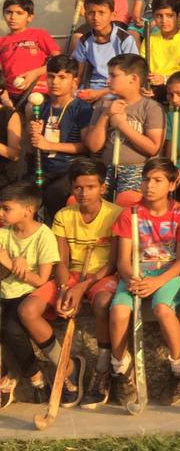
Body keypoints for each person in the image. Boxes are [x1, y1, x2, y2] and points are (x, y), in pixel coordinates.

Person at [109, 158, 180, 405]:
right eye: (146, 180)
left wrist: (157, 283)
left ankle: (179, 368)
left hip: (168, 272)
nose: (150, 186)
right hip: (136, 272)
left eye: (158, 180)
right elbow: (122, 261)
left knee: (162, 309)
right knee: (119, 311)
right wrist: (132, 279)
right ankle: (121, 369)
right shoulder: (130, 214)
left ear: (171, 185)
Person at [42, 158, 120, 408]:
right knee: (28, 311)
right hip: (72, 275)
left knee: (103, 303)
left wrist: (80, 288)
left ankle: (102, 368)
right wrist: (64, 289)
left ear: (103, 187)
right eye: (78, 187)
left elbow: (112, 264)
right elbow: (61, 261)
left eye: (91, 187)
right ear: (71, 188)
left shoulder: (115, 214)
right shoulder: (64, 216)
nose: (84, 193)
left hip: (102, 275)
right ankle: (66, 368)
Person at [0, 182, 60, 405]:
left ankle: (35, 377)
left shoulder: (44, 235)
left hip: (28, 293)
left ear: (28, 210)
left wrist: (13, 265)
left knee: (12, 330)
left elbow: (41, 280)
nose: (1, 213)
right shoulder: (3, 232)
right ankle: (9, 374)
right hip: (4, 292)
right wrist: (9, 262)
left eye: (6, 208)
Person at [84, 54, 165, 201]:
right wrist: (105, 116)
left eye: (113, 76)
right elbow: (93, 146)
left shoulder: (151, 107)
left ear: (133, 79)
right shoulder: (103, 105)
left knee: (126, 200)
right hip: (106, 168)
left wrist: (122, 125)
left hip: (139, 169)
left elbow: (153, 148)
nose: (108, 81)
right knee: (85, 198)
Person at [29, 55, 93, 217]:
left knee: (54, 193)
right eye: (51, 76)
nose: (55, 82)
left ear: (74, 81)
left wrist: (49, 145)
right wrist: (35, 134)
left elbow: (85, 147)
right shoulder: (41, 106)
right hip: (43, 168)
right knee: (19, 194)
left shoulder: (82, 108)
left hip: (69, 170)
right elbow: (35, 145)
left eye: (62, 77)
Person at [73, 0, 138, 102]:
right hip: (90, 88)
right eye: (91, 13)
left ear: (113, 15)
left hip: (117, 90)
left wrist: (100, 93)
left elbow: (130, 77)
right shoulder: (84, 41)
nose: (95, 18)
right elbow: (79, 74)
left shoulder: (125, 39)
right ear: (86, 15)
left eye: (101, 13)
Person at [0, 0, 60, 101]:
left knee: (32, 105)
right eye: (8, 12)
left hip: (38, 90)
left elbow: (59, 62)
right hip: (10, 93)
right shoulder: (2, 41)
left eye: (19, 13)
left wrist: (35, 73)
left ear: (30, 17)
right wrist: (3, 96)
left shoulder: (39, 34)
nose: (13, 17)